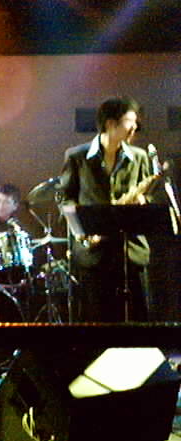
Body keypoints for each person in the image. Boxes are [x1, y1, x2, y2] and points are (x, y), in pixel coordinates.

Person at [59, 96, 154, 323]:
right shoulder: (77, 157)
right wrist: (82, 231)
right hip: (93, 254)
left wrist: (143, 200)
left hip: (130, 252)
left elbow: (149, 196)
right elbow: (66, 199)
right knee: (97, 324)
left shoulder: (140, 157)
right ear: (111, 124)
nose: (135, 127)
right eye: (130, 121)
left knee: (138, 324)